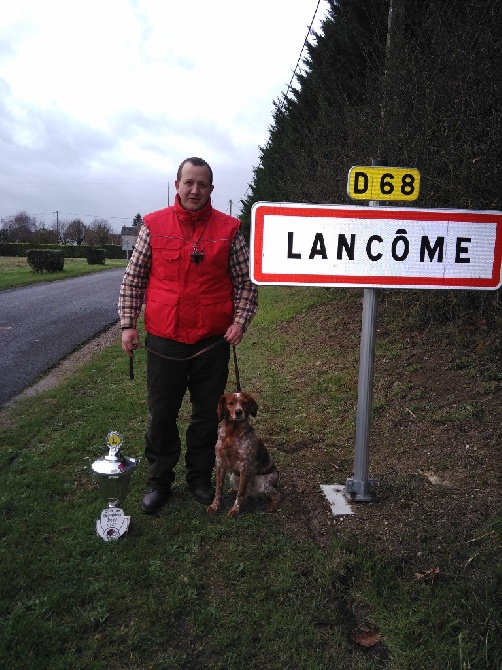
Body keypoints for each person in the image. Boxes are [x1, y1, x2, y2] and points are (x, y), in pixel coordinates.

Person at [118, 157, 258, 514]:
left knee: (205, 415)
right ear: (177, 184)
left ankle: (198, 478)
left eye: (203, 184)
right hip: (164, 340)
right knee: (162, 414)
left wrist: (239, 321)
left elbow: (245, 284)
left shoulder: (229, 229)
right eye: (189, 183)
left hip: (212, 343)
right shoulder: (154, 225)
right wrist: (128, 323)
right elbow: (134, 279)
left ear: (211, 189)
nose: (195, 190)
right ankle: (159, 481)